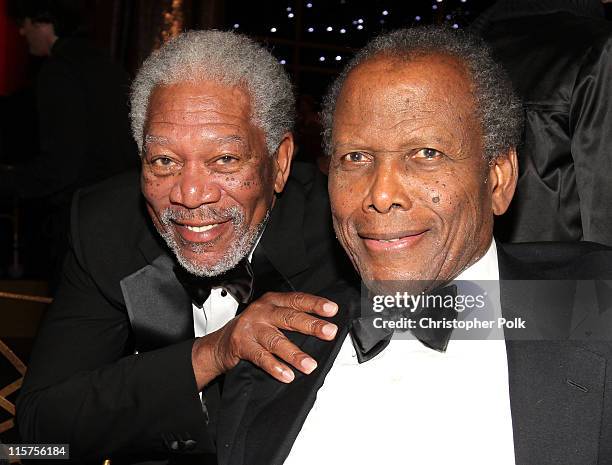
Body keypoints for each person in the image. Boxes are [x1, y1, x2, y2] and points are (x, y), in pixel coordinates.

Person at [212, 27, 612, 465]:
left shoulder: (592, 310)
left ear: (498, 178)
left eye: (426, 153)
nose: (381, 194)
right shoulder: (275, 352)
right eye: (356, 158)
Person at [16, 30, 355, 463]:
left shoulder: (343, 230)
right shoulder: (107, 227)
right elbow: (36, 438)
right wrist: (211, 353)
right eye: (164, 161)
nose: (191, 195)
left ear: (280, 162)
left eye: (225, 160)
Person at [1, 0, 138, 280]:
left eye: (23, 24)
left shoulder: (59, 71)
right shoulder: (104, 62)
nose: (21, 33)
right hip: (121, 215)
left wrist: (8, 181)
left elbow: (61, 166)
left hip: (81, 221)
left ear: (42, 21)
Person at [471, 0, 612, 245]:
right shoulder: (600, 49)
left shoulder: (462, 51)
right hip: (567, 275)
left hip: (477, 274)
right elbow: (603, 211)